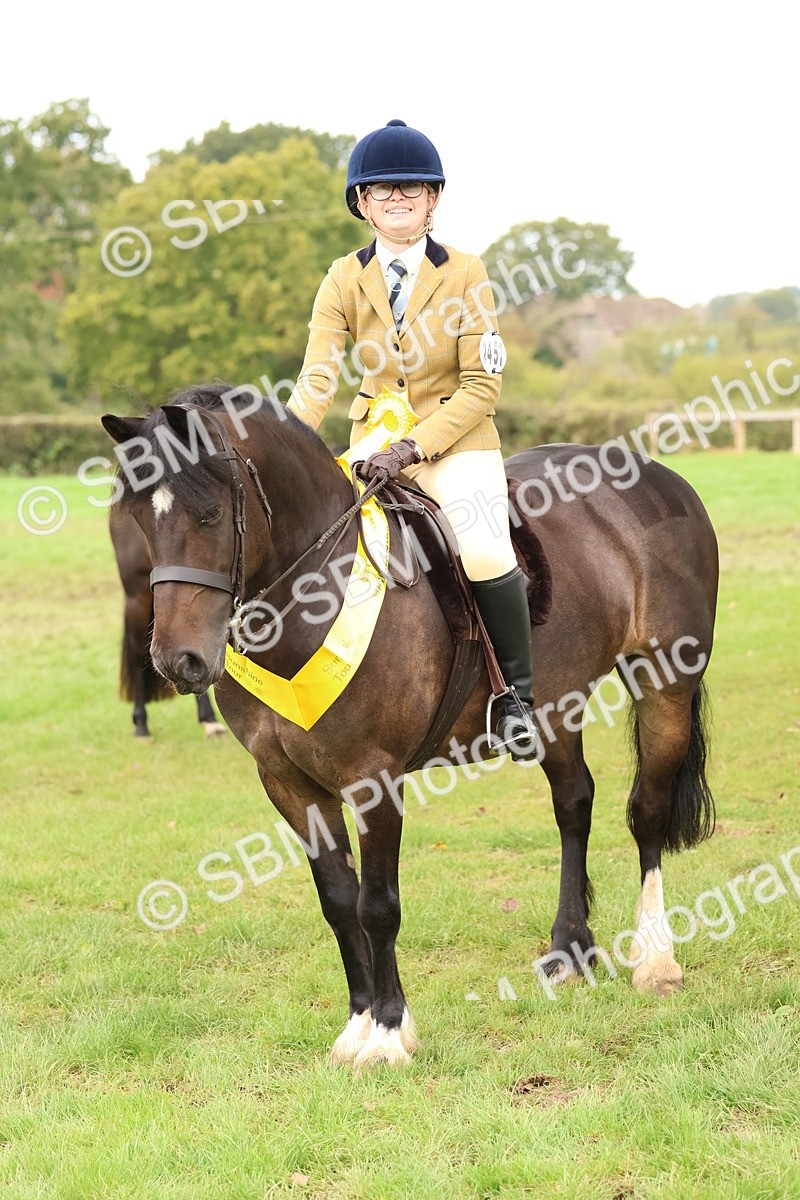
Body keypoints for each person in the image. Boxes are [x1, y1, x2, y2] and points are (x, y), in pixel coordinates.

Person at [287, 119, 539, 760]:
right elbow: (319, 376)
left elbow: (482, 385)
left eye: (412, 188)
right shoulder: (343, 278)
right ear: (362, 204)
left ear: (432, 200)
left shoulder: (465, 272)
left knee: (482, 548)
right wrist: (285, 439)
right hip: (372, 446)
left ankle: (516, 697)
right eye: (382, 190)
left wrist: (414, 447)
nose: (397, 198)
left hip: (456, 445)